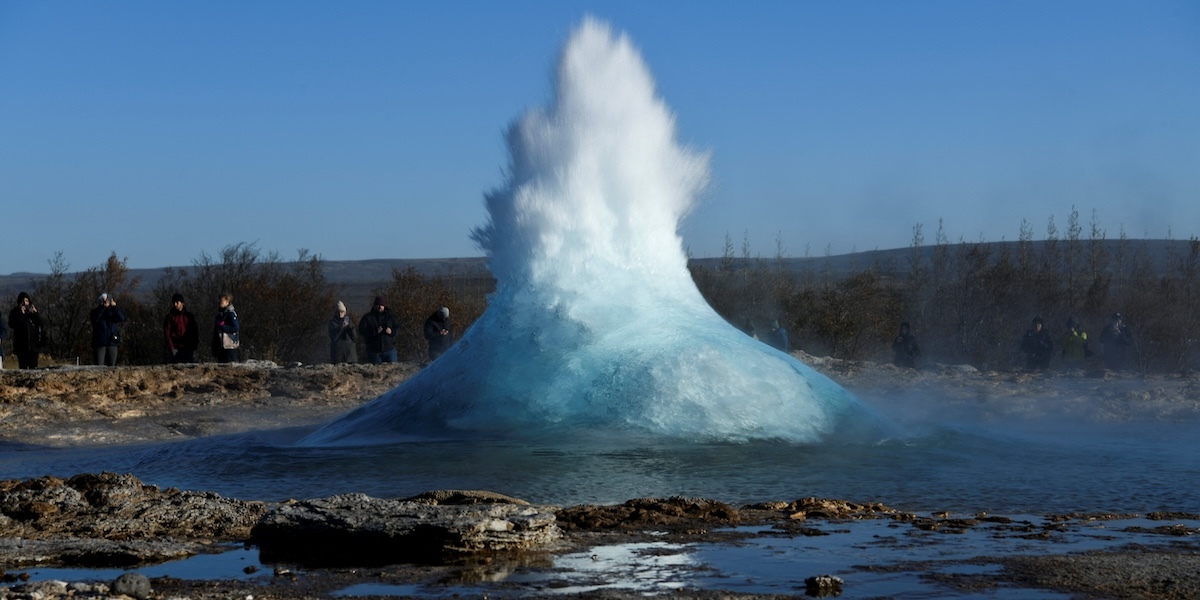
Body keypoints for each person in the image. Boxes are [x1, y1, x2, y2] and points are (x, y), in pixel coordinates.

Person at [8, 292, 45, 369]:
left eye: (26, 301)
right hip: (21, 347)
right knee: (23, 368)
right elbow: (12, 324)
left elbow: (41, 323)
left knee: (34, 368)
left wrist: (35, 313)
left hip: (34, 347)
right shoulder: (15, 312)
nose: (25, 303)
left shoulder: (32, 313)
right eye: (23, 301)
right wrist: (21, 314)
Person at [358, 296, 399, 364]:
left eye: (381, 305)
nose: (380, 307)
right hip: (374, 351)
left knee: (394, 370)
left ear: (384, 306)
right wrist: (374, 332)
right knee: (375, 372)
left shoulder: (390, 317)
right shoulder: (368, 318)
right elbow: (362, 331)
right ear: (374, 306)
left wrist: (391, 331)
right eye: (378, 305)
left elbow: (398, 328)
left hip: (389, 349)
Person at [89, 292, 127, 366]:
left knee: (112, 366)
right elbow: (95, 319)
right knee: (99, 366)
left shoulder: (113, 312)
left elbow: (122, 318)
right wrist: (103, 307)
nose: (106, 301)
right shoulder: (95, 311)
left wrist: (115, 307)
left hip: (112, 341)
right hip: (100, 342)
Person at [163, 293, 200, 363]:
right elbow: (167, 333)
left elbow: (195, 331)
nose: (175, 304)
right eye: (174, 302)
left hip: (188, 347)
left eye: (177, 302)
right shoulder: (170, 317)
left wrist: (194, 345)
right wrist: (171, 347)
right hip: (175, 347)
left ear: (182, 303)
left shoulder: (189, 316)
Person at [211, 293, 240, 363]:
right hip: (221, 345)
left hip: (229, 345)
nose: (220, 302)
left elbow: (235, 328)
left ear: (228, 302)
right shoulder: (220, 314)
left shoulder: (231, 314)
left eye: (222, 300)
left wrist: (222, 327)